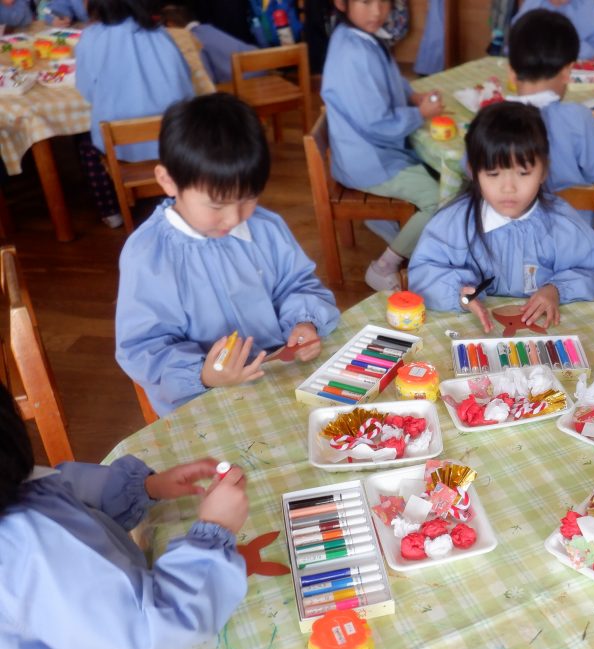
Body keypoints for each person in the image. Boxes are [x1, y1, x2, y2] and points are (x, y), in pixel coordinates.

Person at [0, 382, 250, 649]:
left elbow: (65, 492)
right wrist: (214, 533)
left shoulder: (17, 496)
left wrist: (147, 487)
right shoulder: (29, 547)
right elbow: (150, 628)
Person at [115, 93, 340, 417]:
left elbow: (298, 283)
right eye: (217, 205)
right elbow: (143, 347)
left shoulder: (265, 227)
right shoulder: (148, 255)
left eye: (248, 198)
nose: (234, 218)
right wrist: (203, 374)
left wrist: (304, 321)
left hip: (278, 377)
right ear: (168, 181)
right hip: (203, 399)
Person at [408, 101, 594, 332]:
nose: (508, 188)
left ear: (543, 171)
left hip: (543, 334)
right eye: (493, 174)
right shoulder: (453, 223)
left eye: (523, 173)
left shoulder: (562, 224)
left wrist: (556, 290)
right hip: (474, 331)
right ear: (473, 171)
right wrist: (459, 294)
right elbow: (423, 274)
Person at [321, 0, 444, 292]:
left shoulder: (355, 36)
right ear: (341, 3)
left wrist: (411, 96)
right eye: (366, 2)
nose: (377, 11)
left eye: (384, 2)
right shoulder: (354, 51)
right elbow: (377, 122)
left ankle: (385, 224)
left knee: (439, 173)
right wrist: (420, 114)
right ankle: (384, 266)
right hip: (368, 160)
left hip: (363, 151)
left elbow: (388, 77)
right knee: (441, 198)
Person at [74, 0, 195, 228]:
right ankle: (178, 195)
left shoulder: (90, 38)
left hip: (121, 147)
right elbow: (186, 79)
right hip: (173, 139)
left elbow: (86, 90)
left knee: (85, 144)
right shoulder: (160, 34)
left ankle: (111, 211)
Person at [507, 9, 594, 227]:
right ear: (568, 72)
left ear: (511, 72)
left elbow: (470, 167)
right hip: (570, 235)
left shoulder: (491, 117)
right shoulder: (578, 117)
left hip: (508, 235)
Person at [160, 3, 258, 85]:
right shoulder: (208, 29)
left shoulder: (192, 40)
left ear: (170, 24)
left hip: (243, 82)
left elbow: (206, 80)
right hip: (259, 69)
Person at [510, 0, 594, 61]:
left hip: (577, 70)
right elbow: (515, 40)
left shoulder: (587, 4)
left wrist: (569, 50)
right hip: (537, 69)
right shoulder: (533, 3)